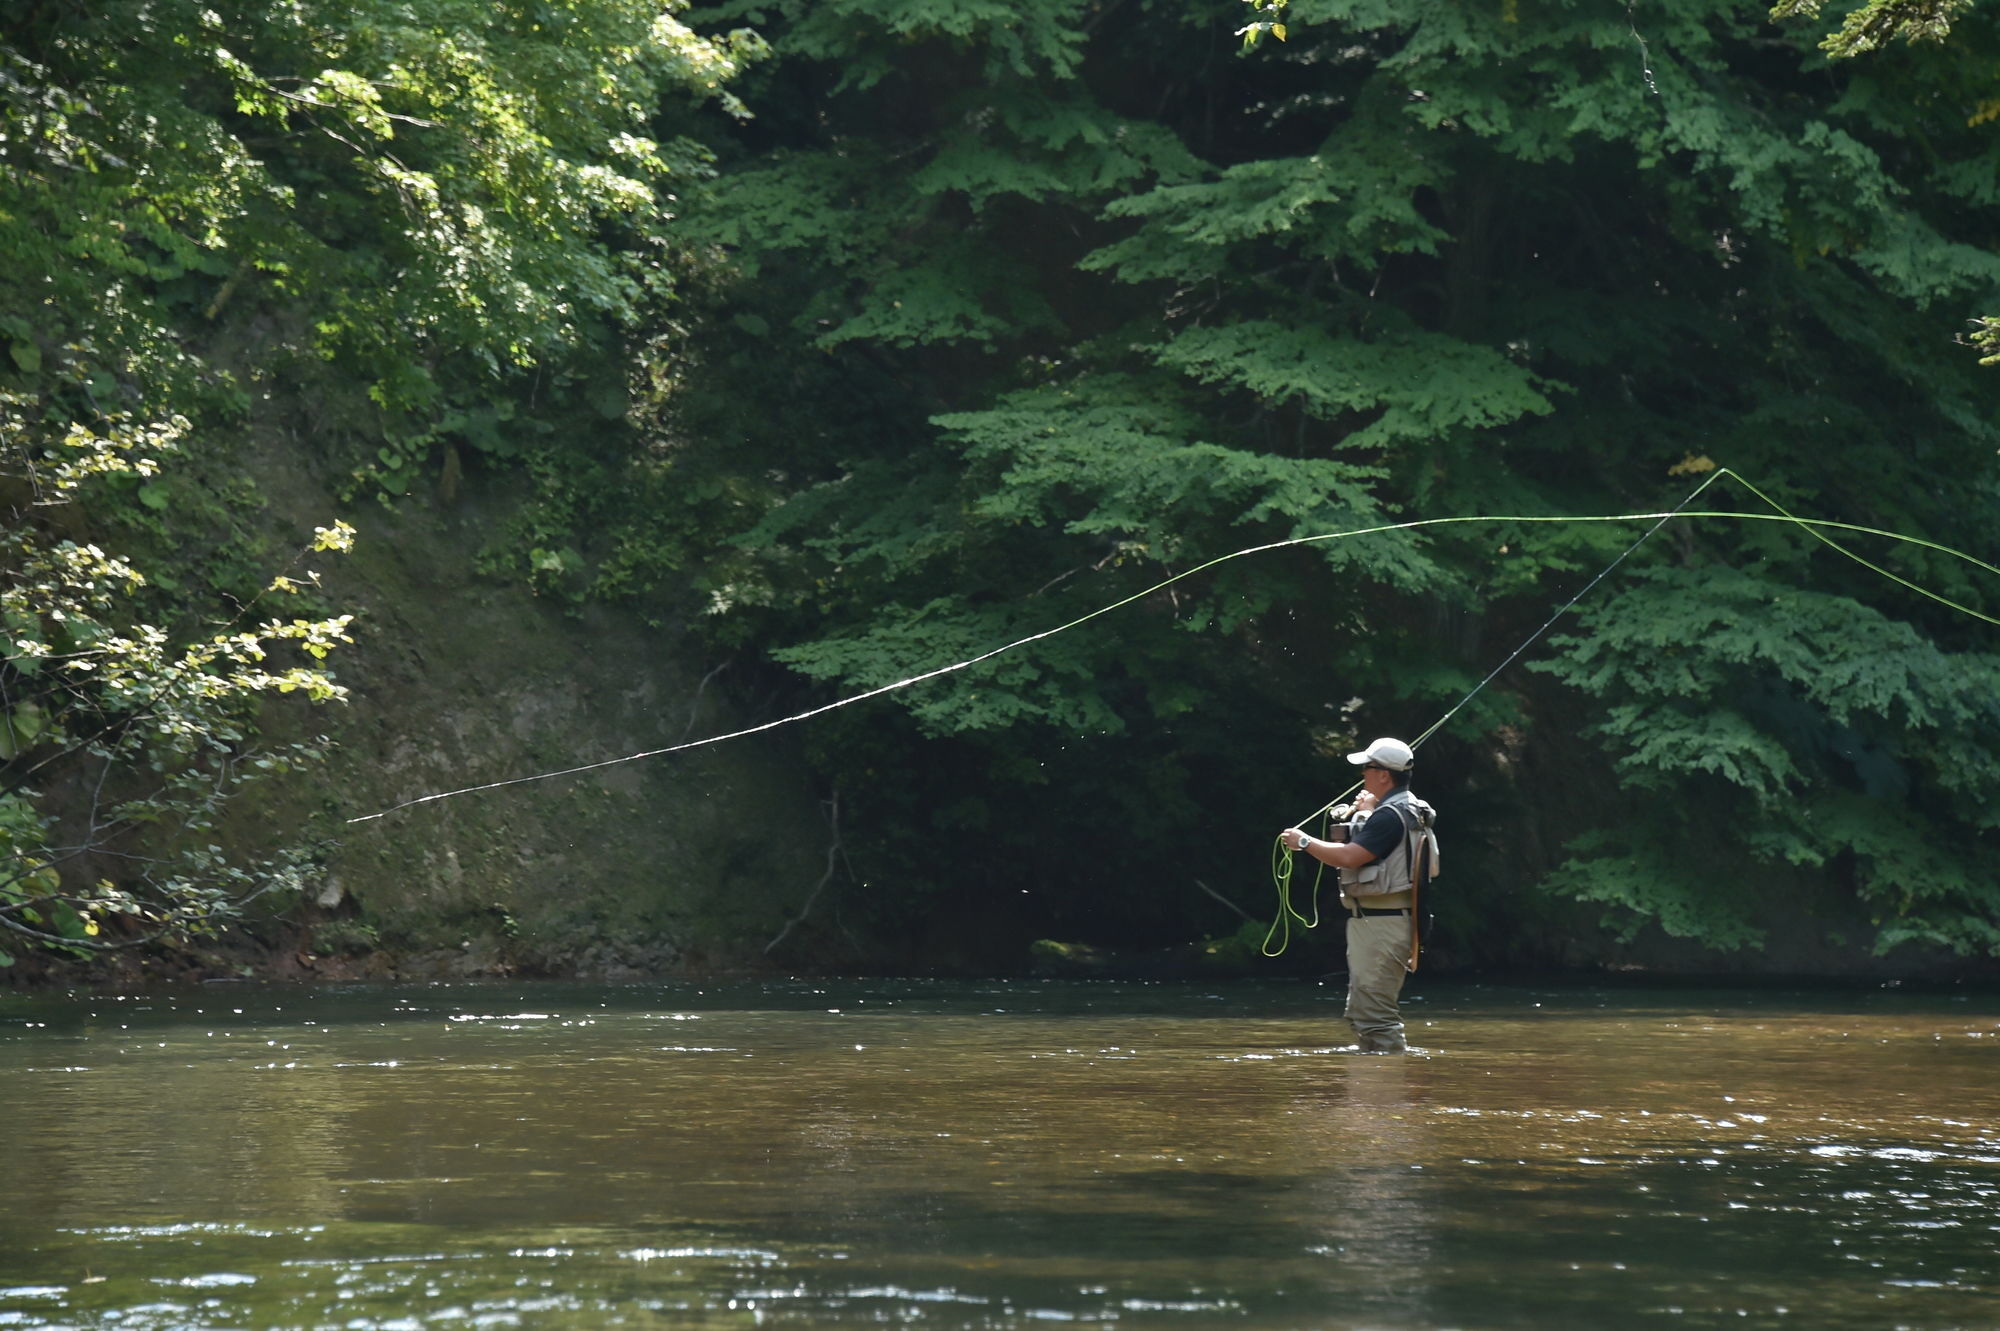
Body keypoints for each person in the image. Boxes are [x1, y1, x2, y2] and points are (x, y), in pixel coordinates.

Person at [1280, 737, 1435, 1053]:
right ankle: (1374, 1088)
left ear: (1383, 775)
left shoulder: (1389, 815)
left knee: (1375, 1016)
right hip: (1383, 922)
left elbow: (1352, 857)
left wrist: (1304, 843)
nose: (1363, 773)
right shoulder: (1403, 809)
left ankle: (1390, 1090)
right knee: (1364, 1012)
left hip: (1383, 925)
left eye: (1368, 767)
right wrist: (1367, 811)